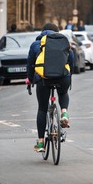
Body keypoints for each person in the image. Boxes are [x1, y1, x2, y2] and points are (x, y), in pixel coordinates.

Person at [26, 23, 74, 152]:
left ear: (42, 32)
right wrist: (69, 76)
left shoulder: (36, 44)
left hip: (43, 80)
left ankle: (41, 143)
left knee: (42, 108)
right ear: (57, 32)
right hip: (62, 77)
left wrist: (30, 80)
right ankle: (64, 112)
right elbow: (72, 59)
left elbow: (30, 64)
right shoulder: (63, 42)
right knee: (63, 93)